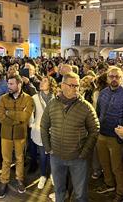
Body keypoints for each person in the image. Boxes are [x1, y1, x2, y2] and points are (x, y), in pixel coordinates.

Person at [41, 72, 99, 202]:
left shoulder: (85, 107)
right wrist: (48, 147)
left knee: (80, 194)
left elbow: (94, 130)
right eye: (71, 85)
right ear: (62, 86)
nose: (75, 89)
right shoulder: (52, 104)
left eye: (77, 86)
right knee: (59, 190)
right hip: (56, 156)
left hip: (77, 158)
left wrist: (84, 152)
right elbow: (44, 126)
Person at [0, 74, 34, 198]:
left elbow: (26, 116)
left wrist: (9, 113)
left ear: (19, 84)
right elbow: (0, 117)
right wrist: (17, 118)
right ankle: (4, 181)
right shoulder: (3, 98)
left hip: (20, 134)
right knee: (6, 160)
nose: (9, 86)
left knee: (20, 158)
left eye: (11, 84)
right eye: (8, 83)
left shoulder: (28, 99)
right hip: (6, 134)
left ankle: (19, 180)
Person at [95, 66, 123, 202]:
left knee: (117, 167)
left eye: (117, 77)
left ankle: (121, 191)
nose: (114, 79)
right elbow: (97, 111)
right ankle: (109, 184)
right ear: (107, 78)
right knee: (104, 163)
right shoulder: (103, 92)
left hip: (115, 136)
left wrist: (120, 129)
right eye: (111, 76)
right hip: (101, 133)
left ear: (121, 78)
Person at [30, 76, 57, 189]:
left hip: (53, 131)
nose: (41, 83)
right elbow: (30, 113)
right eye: (41, 81)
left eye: (45, 81)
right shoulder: (35, 97)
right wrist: (32, 124)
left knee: (52, 155)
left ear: (51, 85)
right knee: (42, 155)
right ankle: (42, 175)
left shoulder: (56, 98)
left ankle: (52, 174)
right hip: (40, 130)